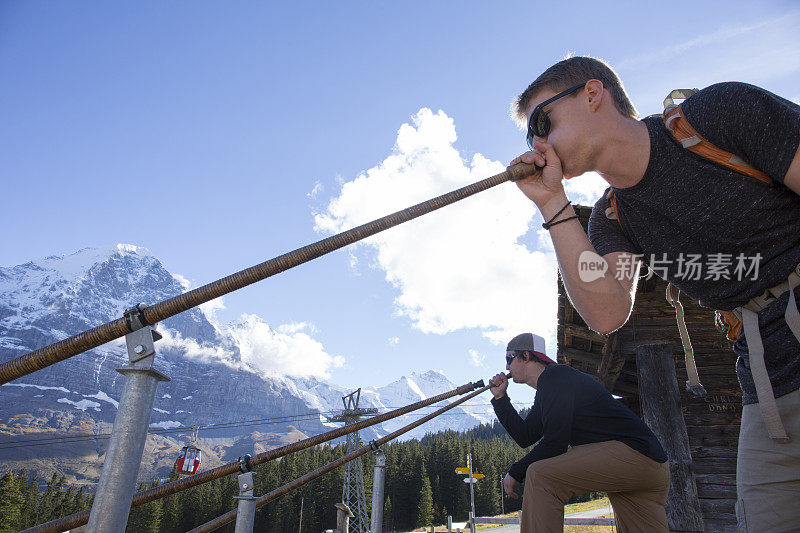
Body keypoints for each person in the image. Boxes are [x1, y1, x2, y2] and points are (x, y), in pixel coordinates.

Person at [508, 55, 800, 532]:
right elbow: (607, 312)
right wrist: (552, 202)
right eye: (532, 137)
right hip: (767, 393)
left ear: (592, 94)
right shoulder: (611, 218)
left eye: (543, 122)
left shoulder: (717, 114)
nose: (539, 144)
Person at [490, 332, 669, 532]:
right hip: (652, 467)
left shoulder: (554, 376)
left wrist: (516, 471)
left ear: (526, 356)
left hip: (633, 456)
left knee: (540, 475)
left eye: (509, 358)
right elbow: (525, 436)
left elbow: (555, 443)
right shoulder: (553, 384)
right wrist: (500, 399)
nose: (506, 367)